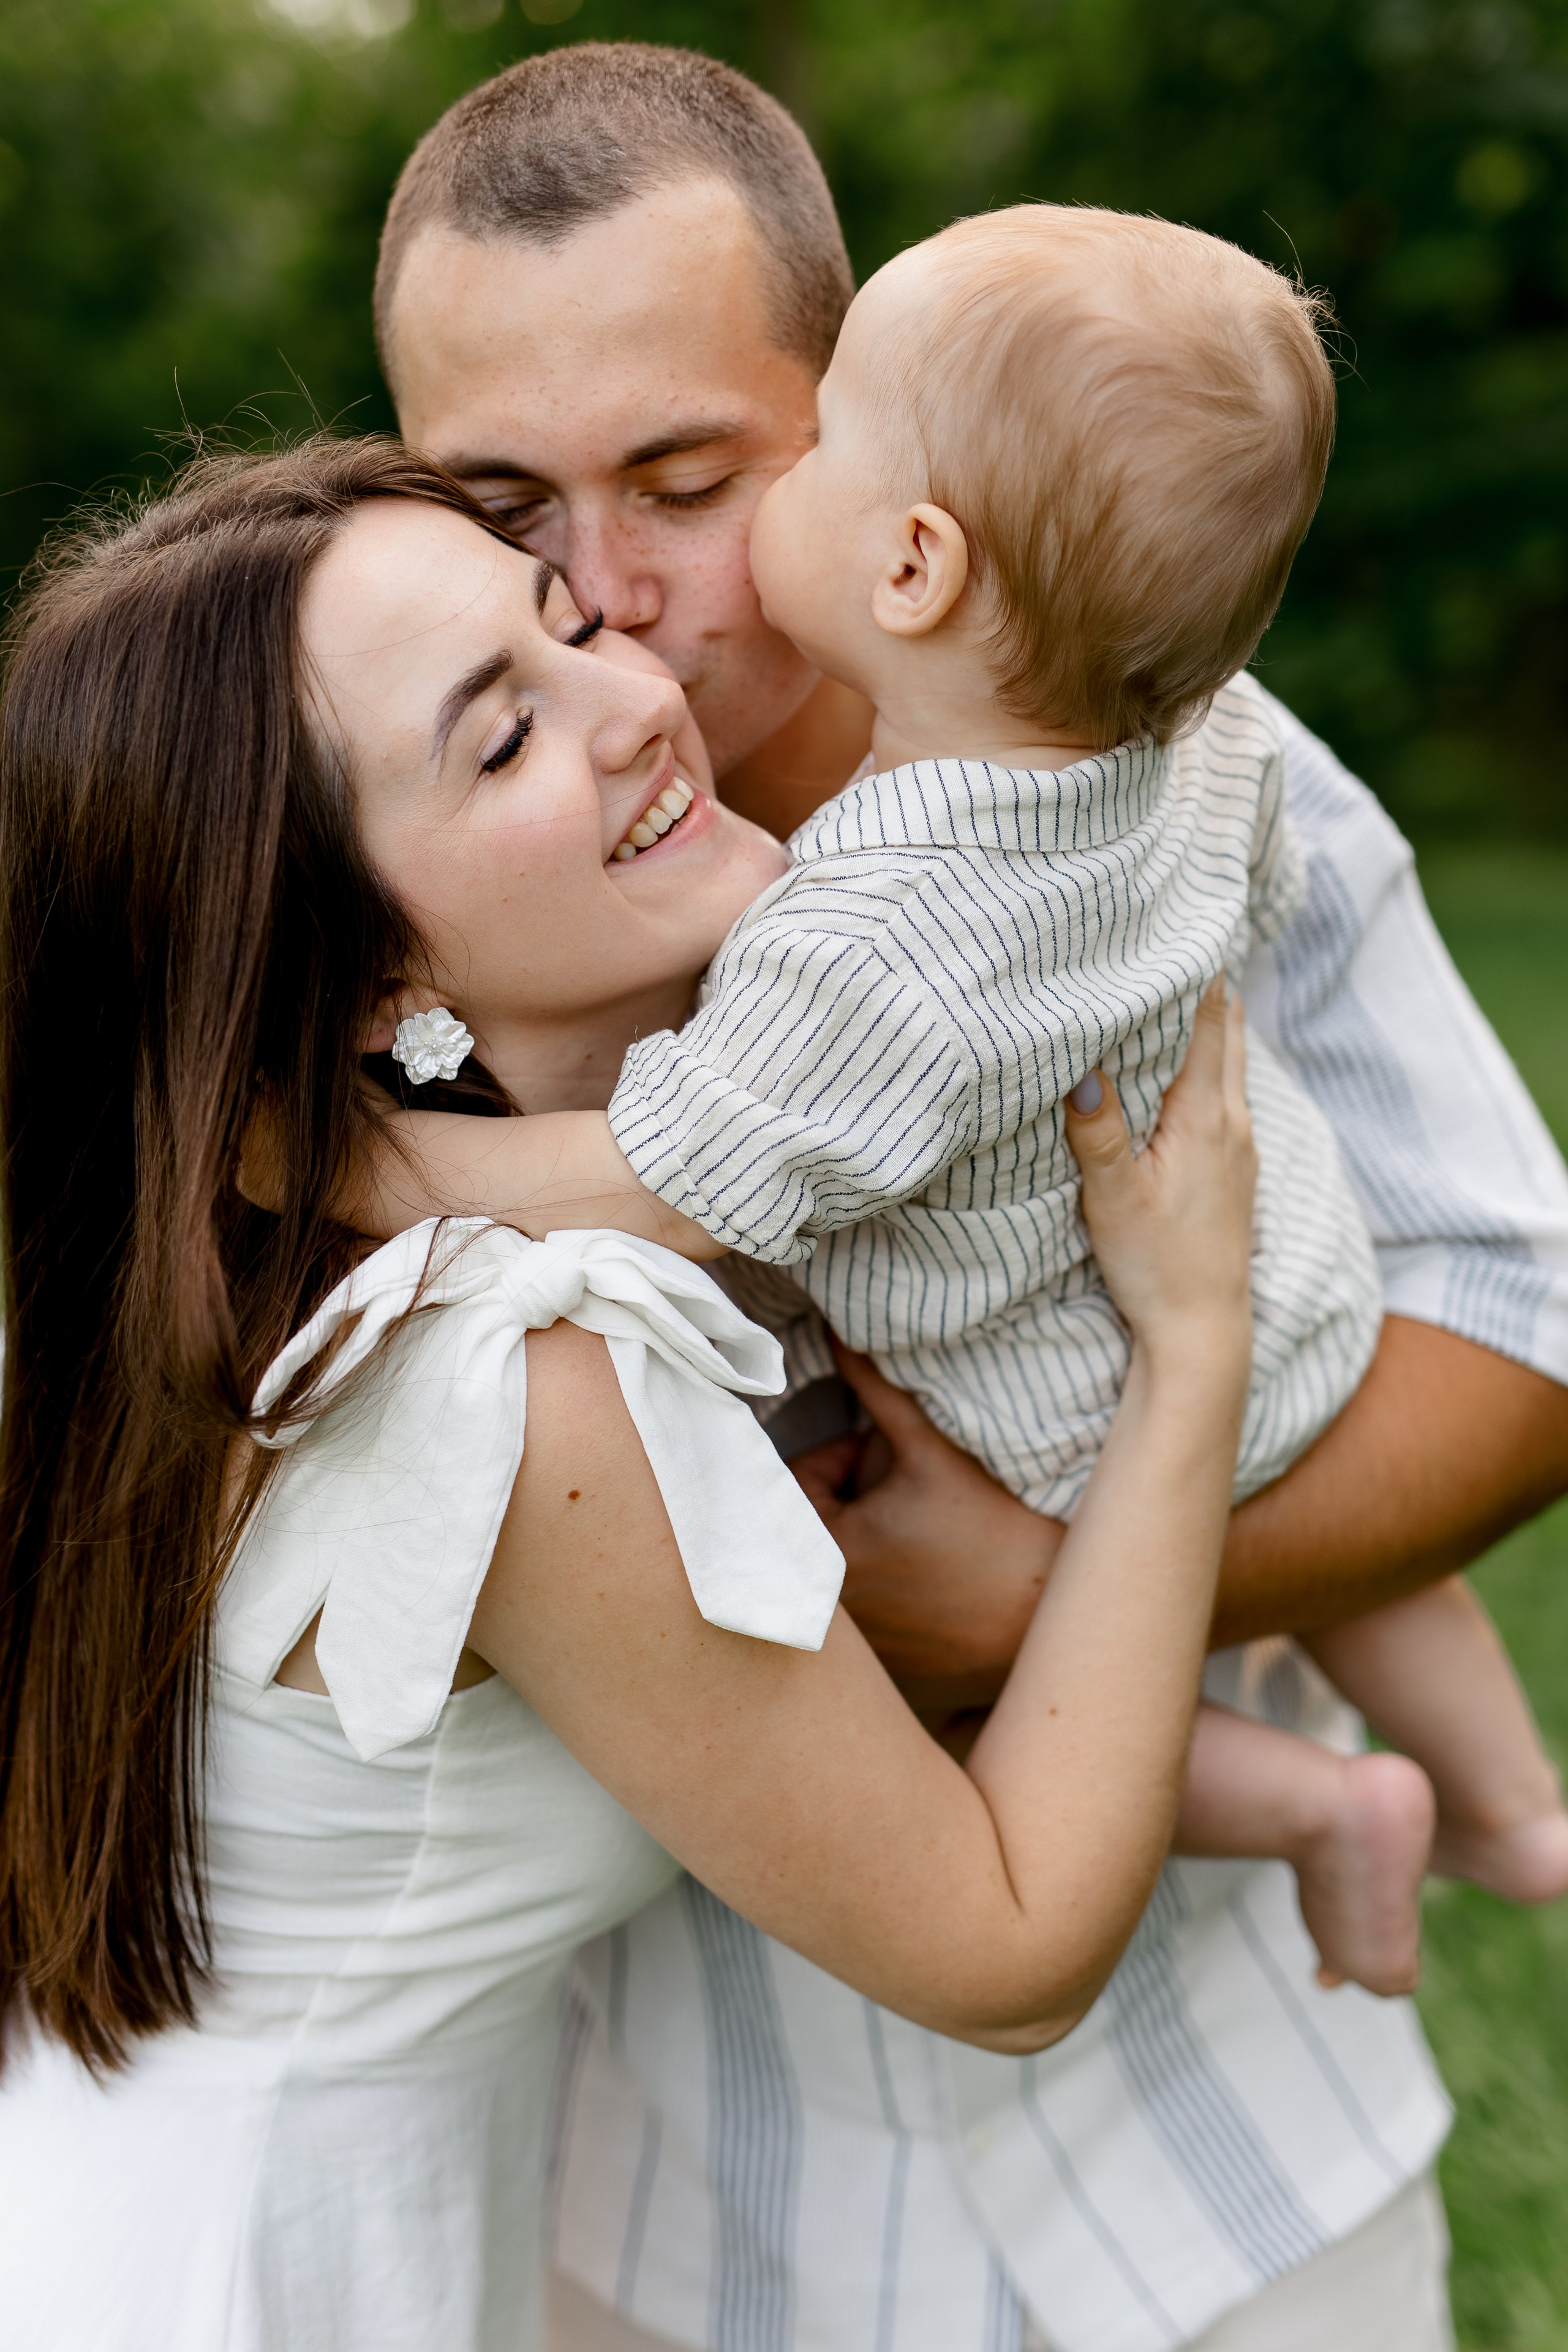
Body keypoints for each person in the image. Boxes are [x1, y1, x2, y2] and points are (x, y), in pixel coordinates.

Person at [375, 43, 1568, 2352]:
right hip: (657, 2172)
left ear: (861, 441)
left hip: (1220, 2172)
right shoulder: (391, 860)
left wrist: (1039, 1587)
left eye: (689, 478)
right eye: (503, 500)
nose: (606, 598)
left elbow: (1525, 1330)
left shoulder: (1178, 746)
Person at [0, 437, 1259, 2352]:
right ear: (359, 979)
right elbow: (1008, 1946)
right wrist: (1194, 1356)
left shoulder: (211, 1263)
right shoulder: (523, 1384)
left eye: (572, 623)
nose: (638, 701)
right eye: (501, 740)